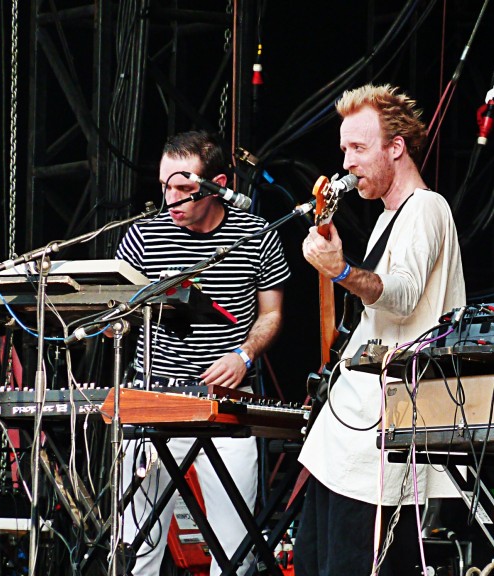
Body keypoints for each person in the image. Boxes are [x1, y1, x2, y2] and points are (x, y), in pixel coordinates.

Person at [295, 84, 466, 576]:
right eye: (344, 149)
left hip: (382, 434)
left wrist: (342, 271)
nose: (347, 162)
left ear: (396, 147)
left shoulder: (426, 208)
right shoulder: (390, 216)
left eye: (358, 147)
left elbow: (403, 293)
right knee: (312, 561)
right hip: (350, 431)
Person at [115, 130, 290, 576]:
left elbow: (271, 314)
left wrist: (244, 356)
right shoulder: (142, 236)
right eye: (164, 187)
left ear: (218, 185)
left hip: (226, 402)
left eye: (182, 188)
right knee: (136, 548)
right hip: (153, 396)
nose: (170, 199)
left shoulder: (256, 234)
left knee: (235, 550)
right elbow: (118, 314)